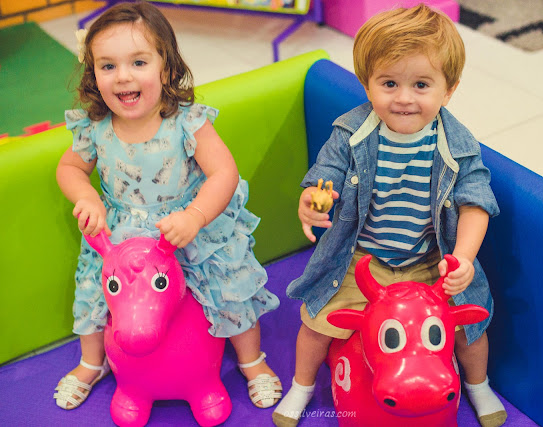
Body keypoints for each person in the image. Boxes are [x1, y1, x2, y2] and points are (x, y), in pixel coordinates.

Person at [273, 5, 506, 427]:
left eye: (421, 85)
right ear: (367, 84)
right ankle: (301, 386)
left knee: (469, 324)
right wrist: (312, 200)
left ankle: (478, 385)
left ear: (448, 90)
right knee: (316, 321)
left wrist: (463, 259)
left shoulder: (456, 144)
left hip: (430, 263)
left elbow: (476, 202)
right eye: (389, 83)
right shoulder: (351, 132)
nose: (403, 98)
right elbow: (324, 176)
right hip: (360, 260)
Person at [53, 1, 281, 411]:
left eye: (138, 62)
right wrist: (86, 196)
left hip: (187, 230)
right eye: (108, 66)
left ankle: (252, 361)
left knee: (229, 284)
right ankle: (92, 362)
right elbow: (69, 167)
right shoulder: (94, 127)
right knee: (92, 289)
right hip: (121, 237)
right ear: (93, 74)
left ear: (167, 68)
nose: (123, 76)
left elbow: (224, 173)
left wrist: (195, 216)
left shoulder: (186, 121)